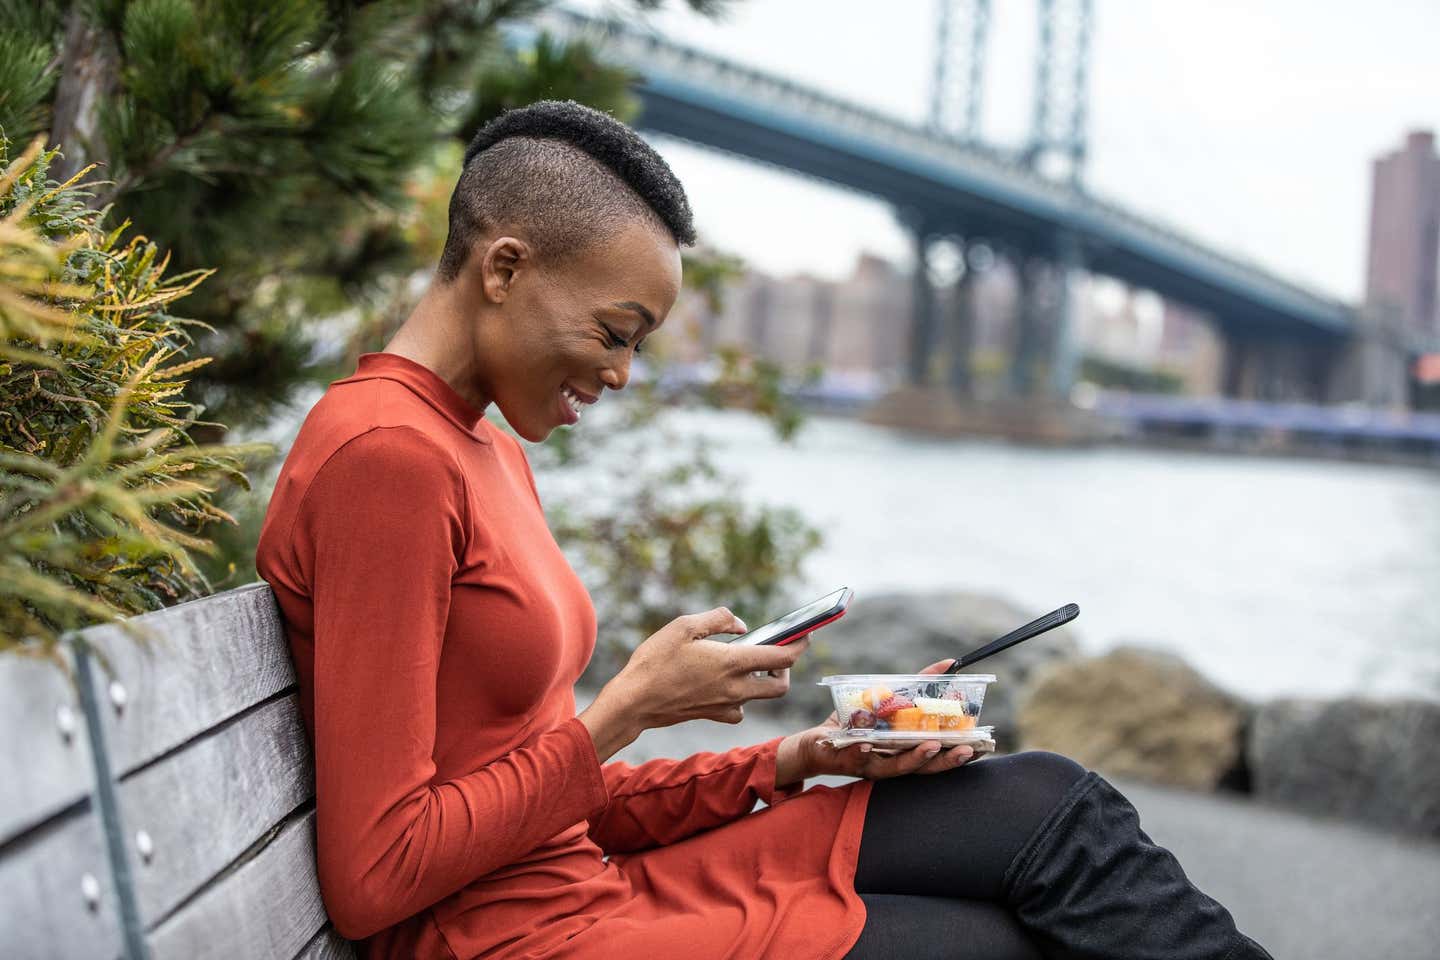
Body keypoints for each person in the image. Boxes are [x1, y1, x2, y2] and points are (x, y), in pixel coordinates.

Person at [255, 100, 1272, 960]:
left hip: (587, 883)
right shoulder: (386, 459)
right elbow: (378, 876)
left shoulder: (484, 450)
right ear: (504, 267)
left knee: (1052, 804)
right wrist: (622, 712)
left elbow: (547, 795)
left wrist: (799, 759)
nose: (620, 374)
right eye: (616, 334)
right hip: (519, 938)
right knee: (991, 942)